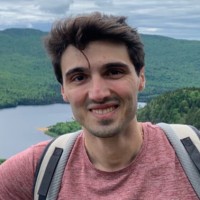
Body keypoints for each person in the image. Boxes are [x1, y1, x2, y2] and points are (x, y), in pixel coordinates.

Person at [0, 12, 198, 200]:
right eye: (79, 77)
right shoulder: (34, 170)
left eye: (113, 72)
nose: (98, 93)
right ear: (63, 90)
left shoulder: (192, 156)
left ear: (141, 77)